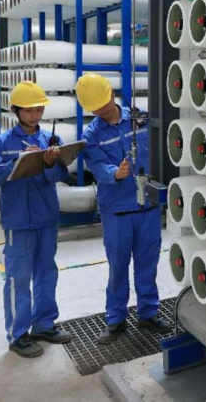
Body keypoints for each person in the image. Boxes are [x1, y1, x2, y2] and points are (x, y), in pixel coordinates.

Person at [75, 73, 169, 343]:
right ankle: (115, 319)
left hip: (147, 205)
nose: (102, 109)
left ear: (111, 94)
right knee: (118, 267)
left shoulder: (141, 118)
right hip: (117, 210)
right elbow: (95, 165)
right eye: (95, 107)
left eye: (104, 102)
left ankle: (148, 312)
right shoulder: (91, 134)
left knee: (148, 263)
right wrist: (115, 173)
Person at [0, 81, 72, 358]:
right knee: (18, 279)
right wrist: (18, 161)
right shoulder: (0, 143)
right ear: (16, 111)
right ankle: (18, 335)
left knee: (46, 273)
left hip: (46, 218)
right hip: (18, 222)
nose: (35, 115)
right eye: (29, 110)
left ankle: (44, 324)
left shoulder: (49, 142)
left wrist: (50, 164)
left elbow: (60, 177)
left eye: (39, 109)